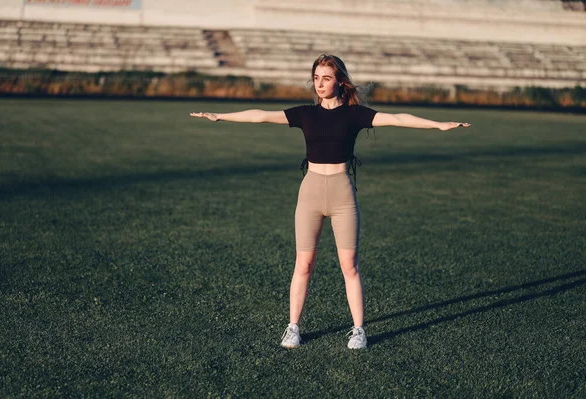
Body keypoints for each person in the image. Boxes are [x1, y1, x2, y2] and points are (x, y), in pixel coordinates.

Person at [190, 54, 470, 350]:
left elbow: (398, 119)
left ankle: (359, 330)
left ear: (339, 82)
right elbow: (260, 115)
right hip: (309, 192)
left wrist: (438, 124)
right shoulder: (305, 114)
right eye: (316, 78)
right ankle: (293, 327)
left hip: (342, 194)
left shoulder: (354, 114)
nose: (319, 84)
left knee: (349, 265)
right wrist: (219, 116)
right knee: (304, 263)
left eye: (326, 78)